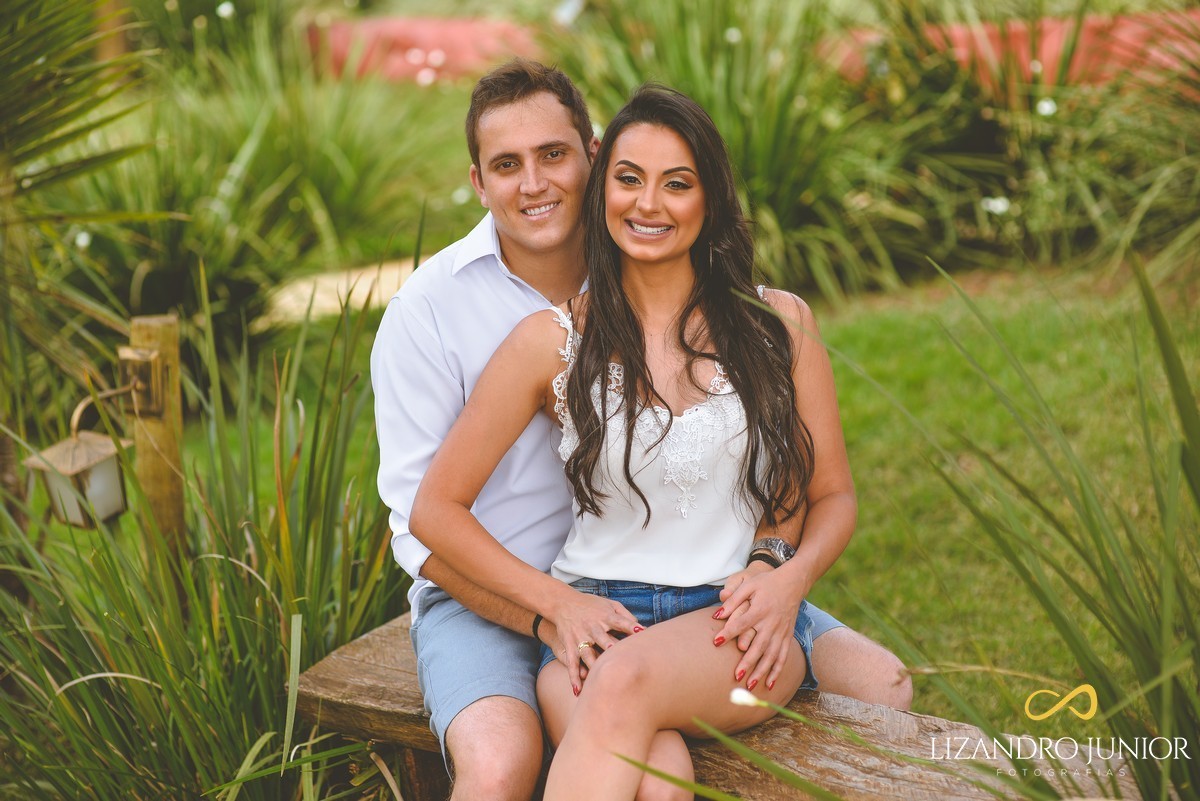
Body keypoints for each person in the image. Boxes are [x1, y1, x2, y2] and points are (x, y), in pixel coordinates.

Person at [374, 62, 911, 801]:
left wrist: (782, 571)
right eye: (633, 180)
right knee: (658, 781)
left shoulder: (775, 323)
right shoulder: (549, 335)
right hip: (580, 613)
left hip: (727, 621)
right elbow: (425, 512)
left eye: (677, 183)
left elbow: (822, 489)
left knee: (887, 684)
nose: (649, 202)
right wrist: (555, 609)